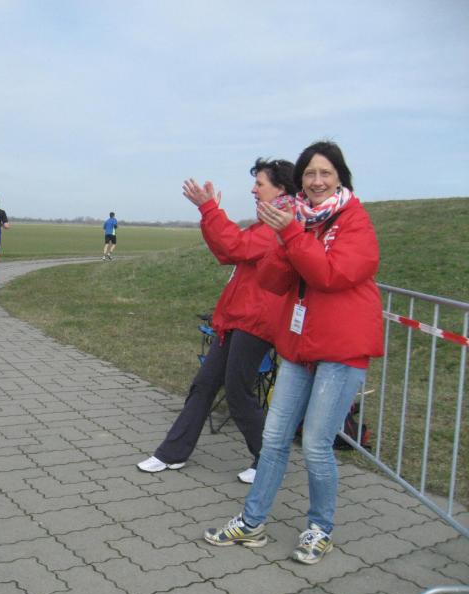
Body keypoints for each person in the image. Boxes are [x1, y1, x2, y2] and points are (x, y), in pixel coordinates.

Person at [204, 141, 383, 566]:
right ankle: (252, 523)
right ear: (300, 181)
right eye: (309, 174)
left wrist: (290, 234)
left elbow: (329, 275)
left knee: (317, 446)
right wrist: (282, 239)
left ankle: (320, 529)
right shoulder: (298, 221)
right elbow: (273, 281)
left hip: (341, 350)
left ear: (340, 177)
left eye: (325, 173)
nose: (317, 181)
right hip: (300, 348)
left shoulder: (355, 222)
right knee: (273, 439)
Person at [137, 159, 296, 483]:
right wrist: (209, 213)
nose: (253, 190)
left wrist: (209, 209)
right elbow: (227, 252)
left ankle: (269, 461)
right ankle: (172, 453)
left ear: (281, 189)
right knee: (205, 384)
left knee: (238, 393)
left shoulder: (282, 225)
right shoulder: (265, 223)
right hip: (237, 318)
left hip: (256, 321)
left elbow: (235, 246)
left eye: (260, 184)